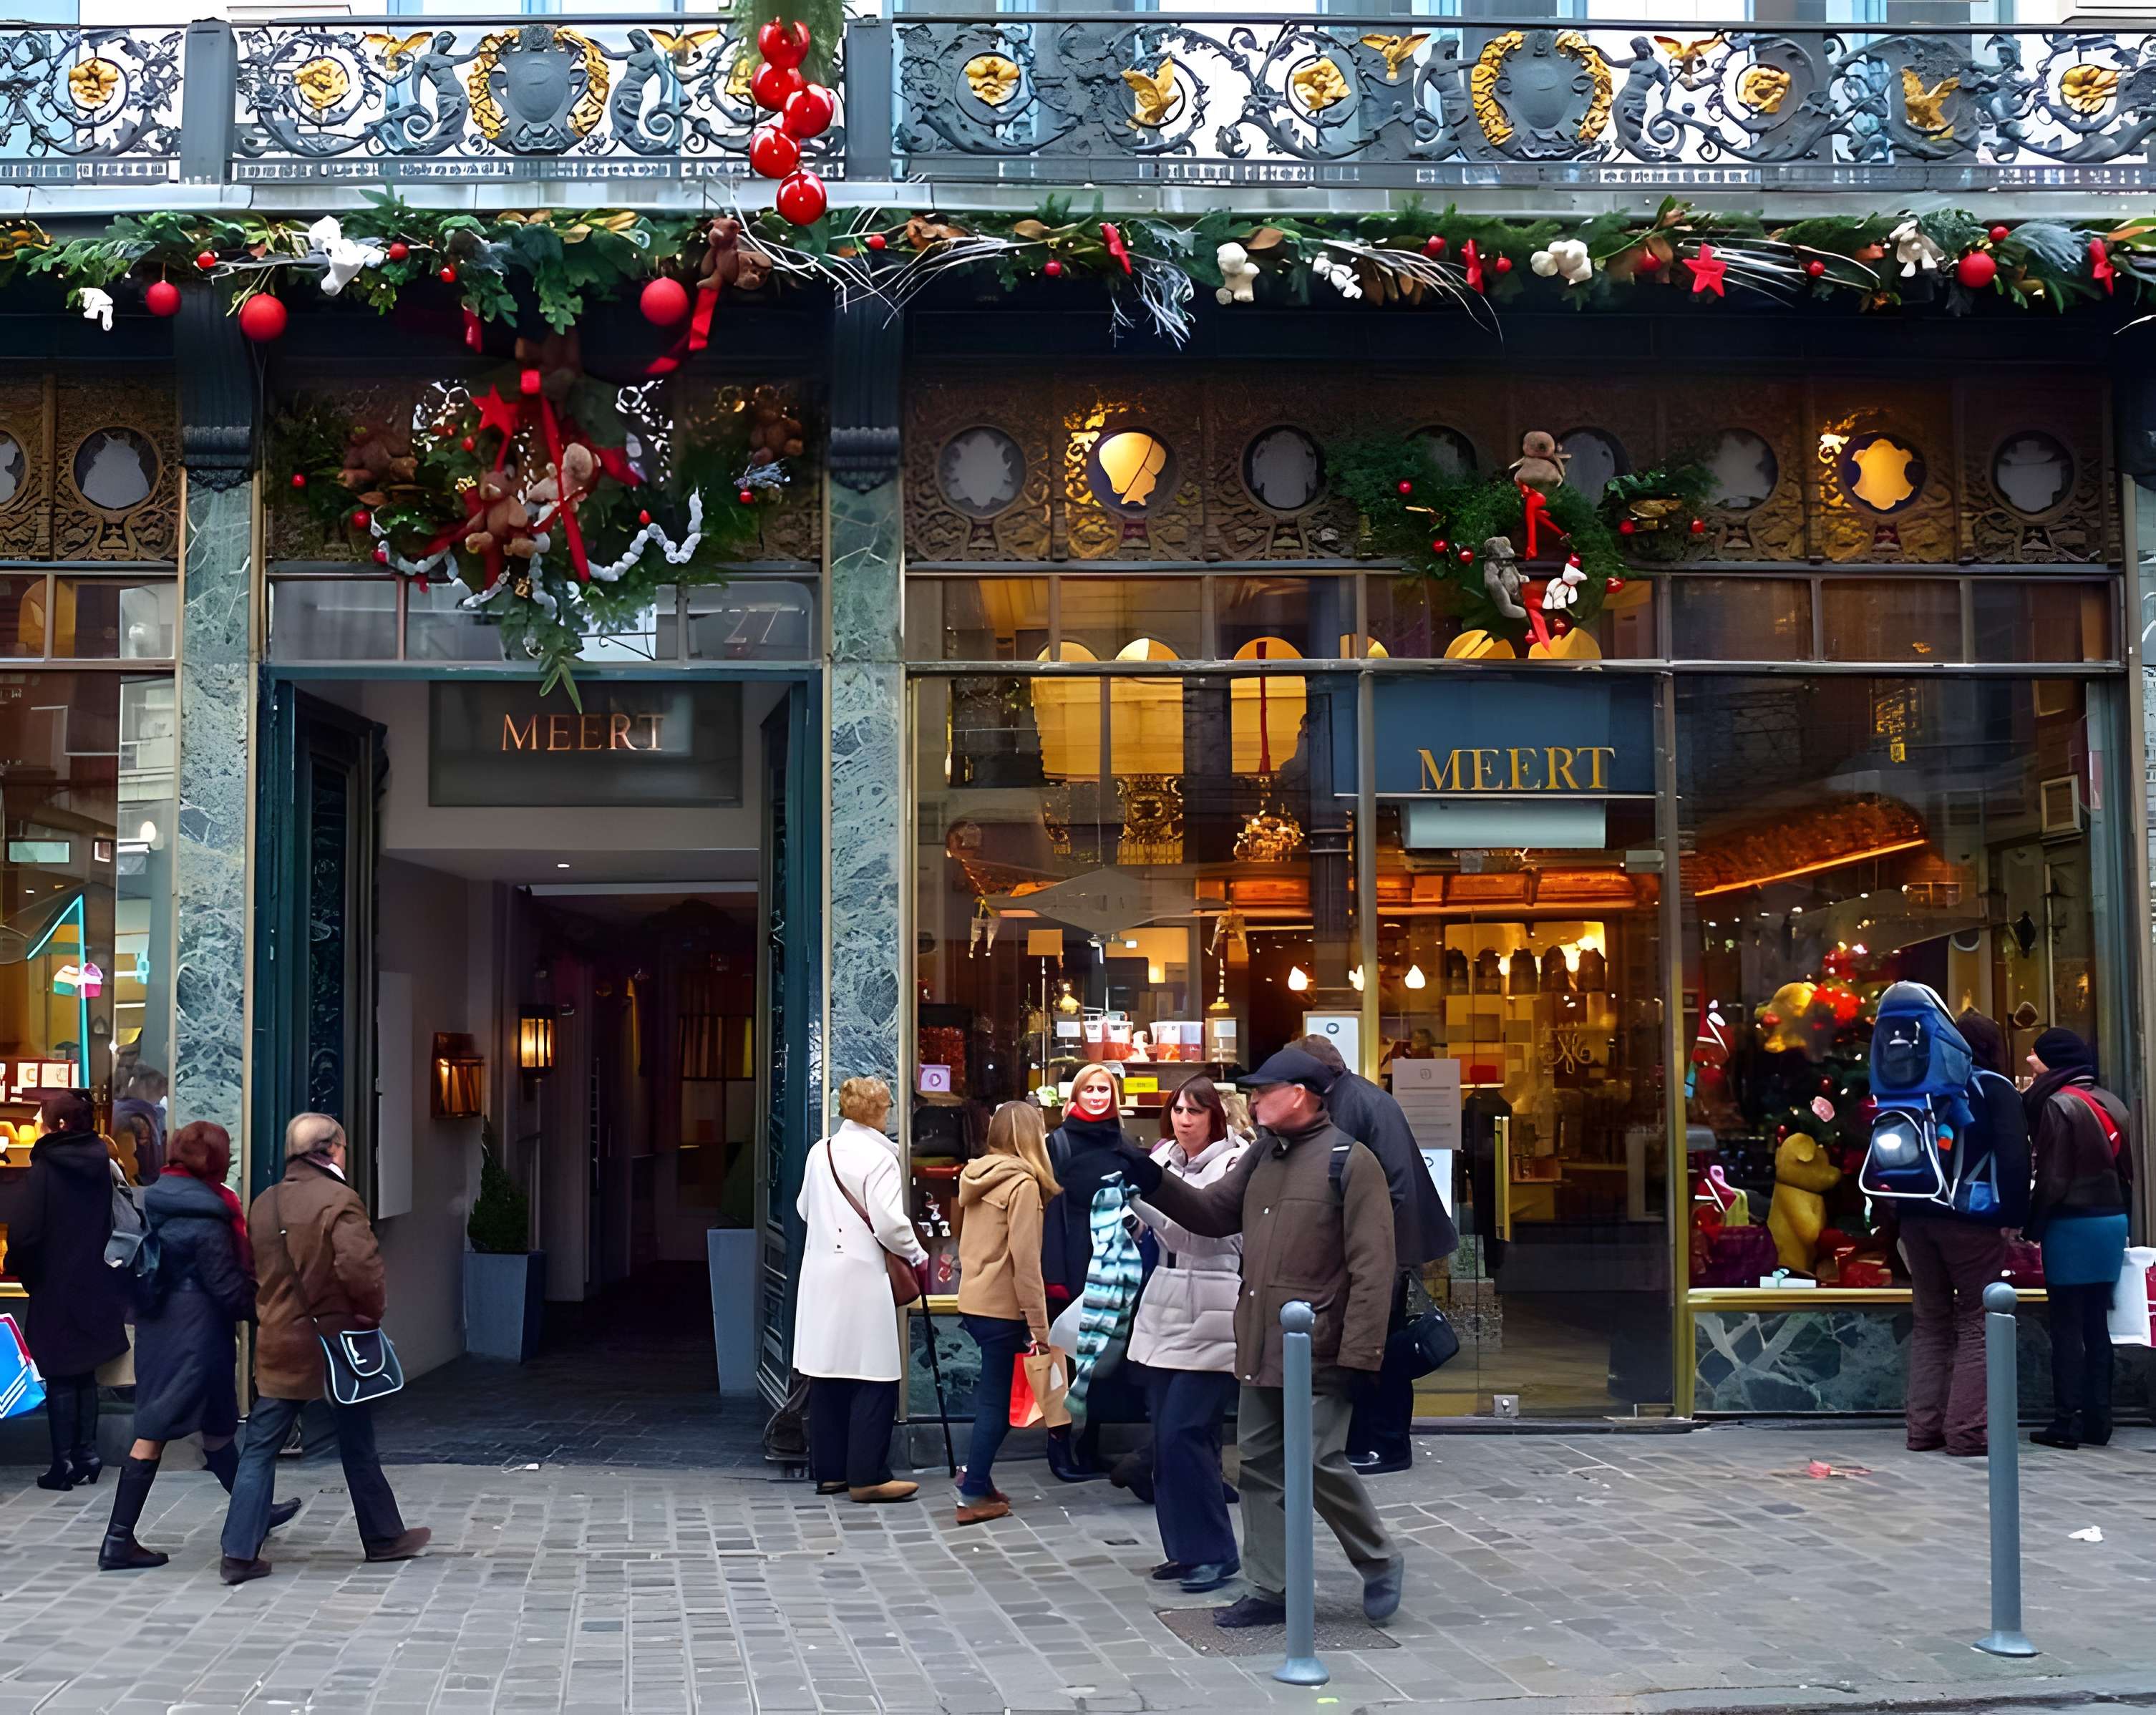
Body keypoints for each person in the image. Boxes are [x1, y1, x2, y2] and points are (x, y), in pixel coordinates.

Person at [1120, 1046, 1404, 1628]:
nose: (1253, 1101)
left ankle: (1379, 1559)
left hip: (1318, 1345)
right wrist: (1146, 1173)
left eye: (1264, 1091)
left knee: (1317, 1461)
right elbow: (1211, 1214)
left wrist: (1361, 1356)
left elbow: (1374, 1269)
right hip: (1259, 1340)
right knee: (1259, 1466)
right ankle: (1270, 1587)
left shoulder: (1351, 1162)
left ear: (1299, 1095)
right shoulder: (1263, 1156)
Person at [218, 1114, 429, 1583]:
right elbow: (361, 1270)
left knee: (259, 1448)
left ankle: (238, 1553)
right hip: (333, 1345)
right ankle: (383, 1537)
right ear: (332, 1148)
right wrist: (370, 1317)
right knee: (358, 1442)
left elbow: (251, 1271)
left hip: (278, 1341)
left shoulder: (265, 1202)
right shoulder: (339, 1200)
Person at [98, 1121, 303, 1570]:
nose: (229, 1163)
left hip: (161, 1328)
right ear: (215, 1162)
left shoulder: (155, 1198)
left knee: (217, 1425)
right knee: (153, 1432)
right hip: (196, 1336)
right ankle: (117, 1540)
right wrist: (271, 1312)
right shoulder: (208, 1216)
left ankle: (256, 1511)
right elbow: (227, 1288)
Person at [1293, 1035, 1460, 1476]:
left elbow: (1385, 1188)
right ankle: (1377, 1441)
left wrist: (1375, 1258)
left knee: (1377, 1348)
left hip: (1385, 1248)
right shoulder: (1361, 1096)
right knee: (1380, 1345)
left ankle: (1384, 1444)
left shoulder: (1351, 1105)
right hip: (1392, 1244)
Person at [1893, 996, 2029, 1457]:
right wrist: (2014, 1218)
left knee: (1930, 1321)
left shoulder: (1917, 1085)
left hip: (1916, 1216)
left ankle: (1922, 1429)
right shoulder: (1995, 1088)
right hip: (1972, 1219)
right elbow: (2014, 1157)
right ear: (1992, 1047)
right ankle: (1967, 1432)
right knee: (1977, 1321)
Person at [1127, 1075, 1248, 1593]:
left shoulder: (1237, 1162)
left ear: (1215, 1116)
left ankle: (1215, 1553)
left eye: (1195, 1111)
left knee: (1186, 1434)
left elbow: (1203, 1233)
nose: (1184, 1120)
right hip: (1165, 1300)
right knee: (1165, 1439)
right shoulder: (1163, 1157)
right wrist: (1124, 1211)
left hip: (1215, 1301)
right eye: (1177, 1110)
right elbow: (1151, 1233)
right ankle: (1184, 1550)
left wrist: (1144, 1204)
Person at [793, 1077, 930, 1504]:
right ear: (880, 1112)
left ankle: (830, 1473)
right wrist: (917, 1253)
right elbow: (889, 1224)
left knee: (828, 1372)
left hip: (821, 1274)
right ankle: (868, 1476)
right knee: (875, 1373)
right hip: (863, 1276)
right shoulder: (880, 1157)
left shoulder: (821, 1151)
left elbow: (803, 1208)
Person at [9, 1092, 131, 1491]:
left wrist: (20, 1269)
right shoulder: (102, 1161)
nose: (37, 1124)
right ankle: (88, 1454)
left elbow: (25, 1233)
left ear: (59, 1125)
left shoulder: (45, 1168)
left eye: (41, 1118)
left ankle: (63, 1463)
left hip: (56, 1284)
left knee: (61, 1373)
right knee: (85, 1372)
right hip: (98, 1281)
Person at [2024, 1029, 2134, 1450]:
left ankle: (2065, 1422)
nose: (2029, 1061)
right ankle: (2099, 1421)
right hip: (2111, 1221)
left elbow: (2053, 1178)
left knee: (2067, 1325)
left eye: (2036, 1055)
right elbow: (2127, 1171)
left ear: (2053, 1060)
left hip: (2072, 1223)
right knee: (2096, 1323)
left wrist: (2032, 1227)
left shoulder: (2058, 1104)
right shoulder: (2111, 1102)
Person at [952, 1099, 1059, 1525]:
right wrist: (1040, 1327)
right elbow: (1026, 1263)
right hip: (1003, 1307)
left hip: (974, 1300)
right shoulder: (1023, 1185)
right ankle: (973, 1489)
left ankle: (979, 1480)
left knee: (994, 1397)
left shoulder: (975, 1175)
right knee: (997, 1403)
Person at [1039, 1061, 1138, 1481]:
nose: (1097, 1096)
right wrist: (1053, 1273)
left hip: (1114, 1261)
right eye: (1089, 1089)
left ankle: (1091, 1444)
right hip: (1071, 1258)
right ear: (1075, 1095)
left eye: (1104, 1089)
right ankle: (1059, 1447)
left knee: (1103, 1357)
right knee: (1063, 1358)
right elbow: (1048, 1211)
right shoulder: (1057, 1143)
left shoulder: (1123, 1142)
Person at [111, 1067, 168, 1184]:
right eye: (160, 1084)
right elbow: (140, 1164)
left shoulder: (116, 1108)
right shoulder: (139, 1118)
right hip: (140, 1185)